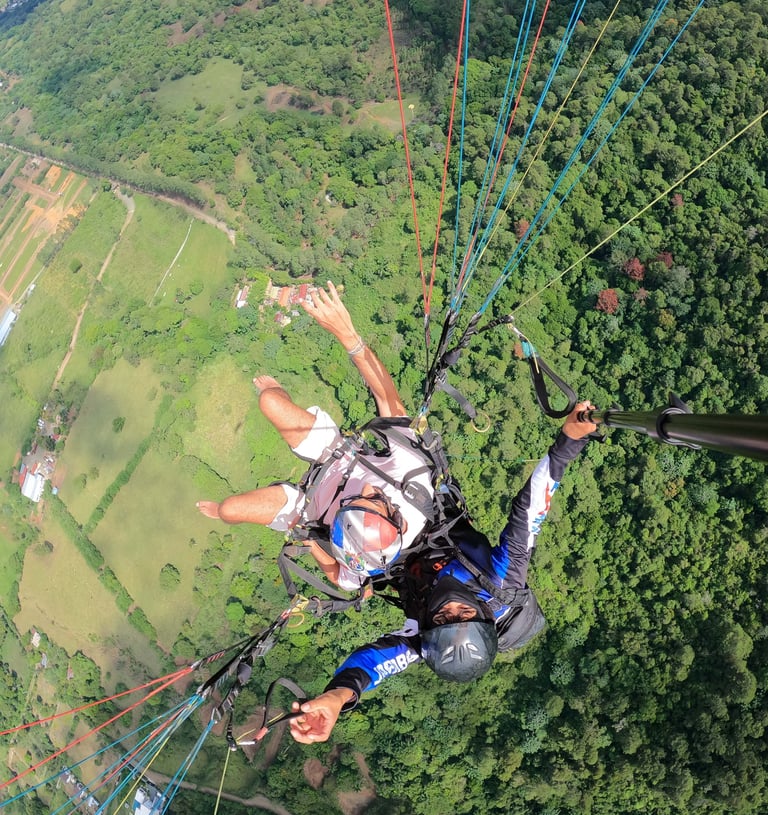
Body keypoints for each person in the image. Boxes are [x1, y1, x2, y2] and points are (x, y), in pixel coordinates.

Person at [289, 402, 597, 744]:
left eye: (443, 619)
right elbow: (528, 515)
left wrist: (336, 697)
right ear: (484, 613)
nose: (448, 607)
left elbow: (373, 666)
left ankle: (300, 526)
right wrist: (570, 440)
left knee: (344, 580)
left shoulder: (424, 641)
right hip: (425, 518)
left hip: (388, 556)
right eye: (462, 612)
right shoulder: (501, 584)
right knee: (405, 432)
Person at [196, 282, 435, 590]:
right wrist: (348, 336)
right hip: (337, 454)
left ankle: (222, 512)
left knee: (230, 510)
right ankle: (276, 388)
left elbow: (341, 579)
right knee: (270, 401)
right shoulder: (411, 486)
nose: (365, 489)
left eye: (355, 500)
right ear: (393, 515)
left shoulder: (359, 563)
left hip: (308, 509)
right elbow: (389, 400)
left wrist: (313, 545)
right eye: (374, 497)